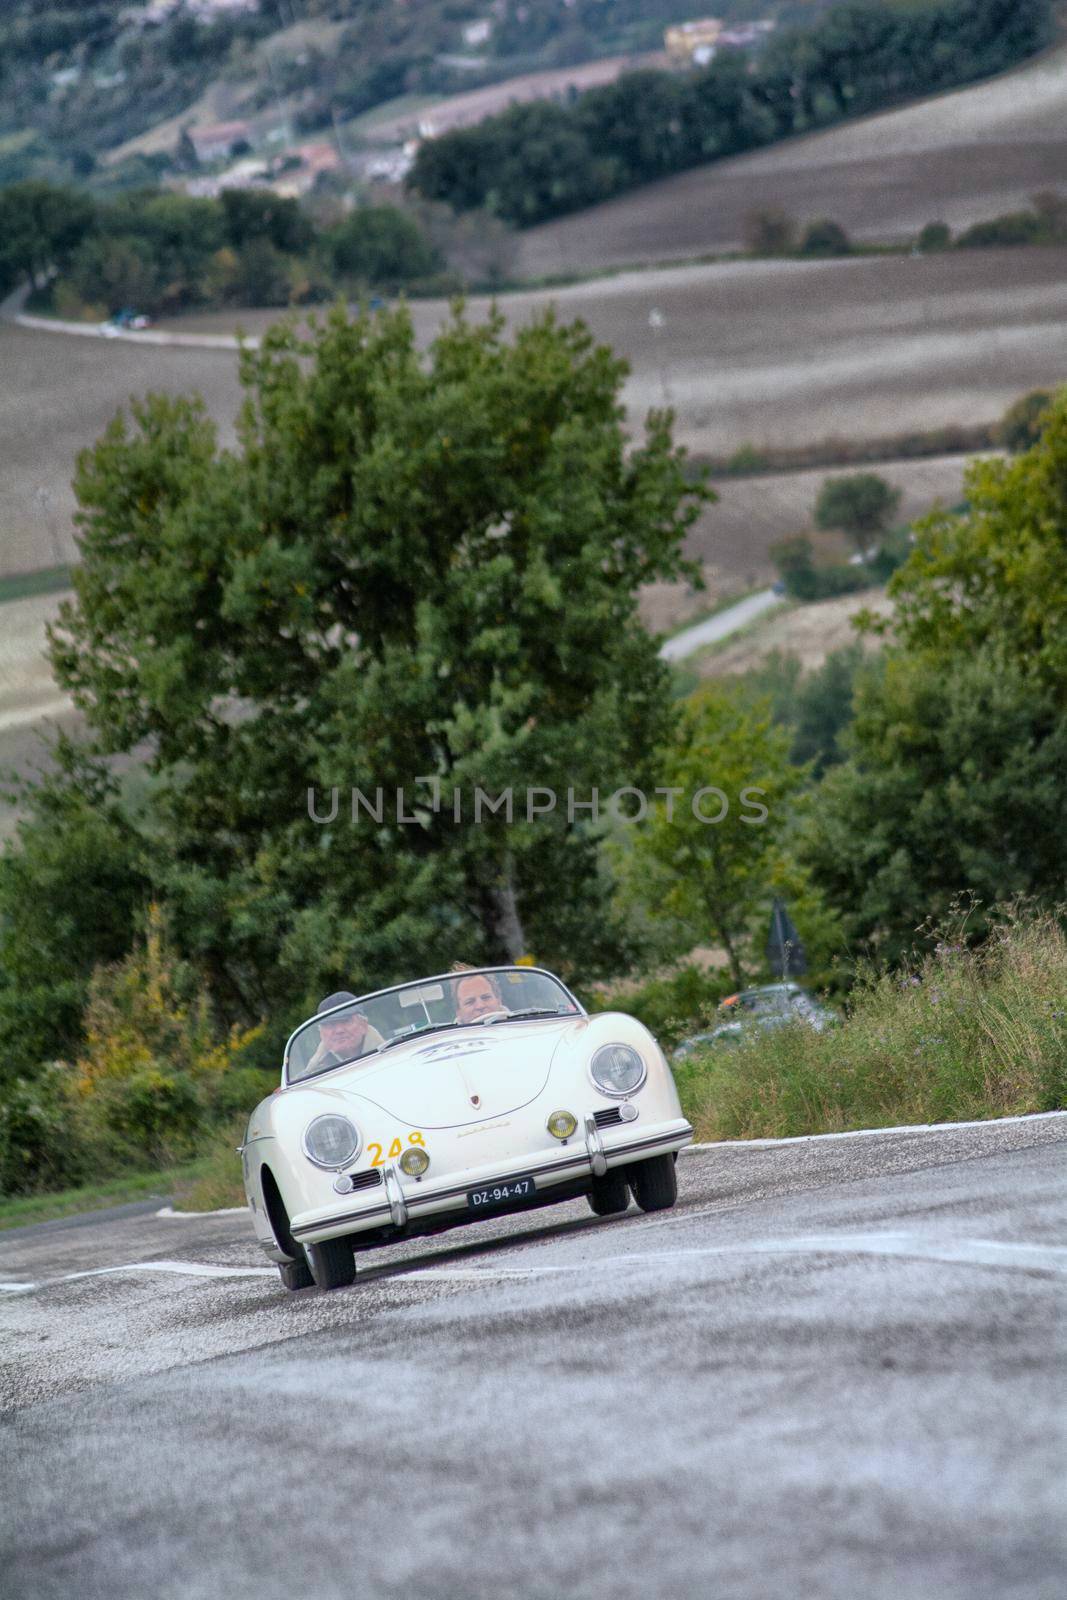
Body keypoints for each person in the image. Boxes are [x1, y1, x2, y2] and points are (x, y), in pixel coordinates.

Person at [305, 990, 384, 1073]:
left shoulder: (391, 1054)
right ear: (321, 1034)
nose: (339, 1030)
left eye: (346, 1021)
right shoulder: (309, 1077)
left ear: (363, 1025)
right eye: (330, 1024)